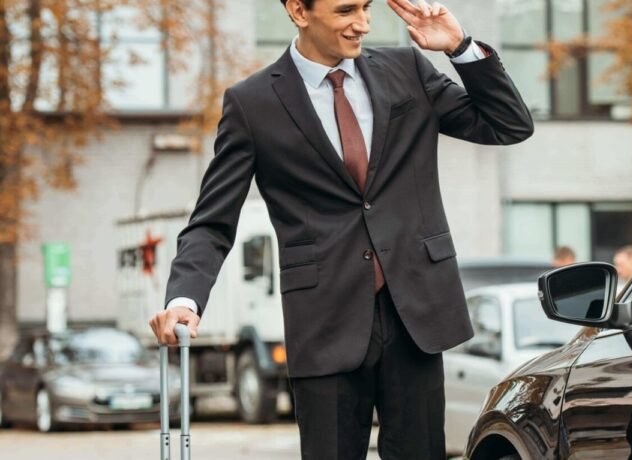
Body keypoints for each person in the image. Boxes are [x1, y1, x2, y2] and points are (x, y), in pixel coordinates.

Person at [148, 0, 534, 458]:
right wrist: (183, 300)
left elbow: (509, 125)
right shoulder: (252, 104)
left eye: (368, 7)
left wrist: (460, 47)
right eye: (346, 10)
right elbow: (212, 221)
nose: (363, 24)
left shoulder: (407, 69)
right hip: (323, 322)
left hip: (416, 313)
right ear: (298, 10)